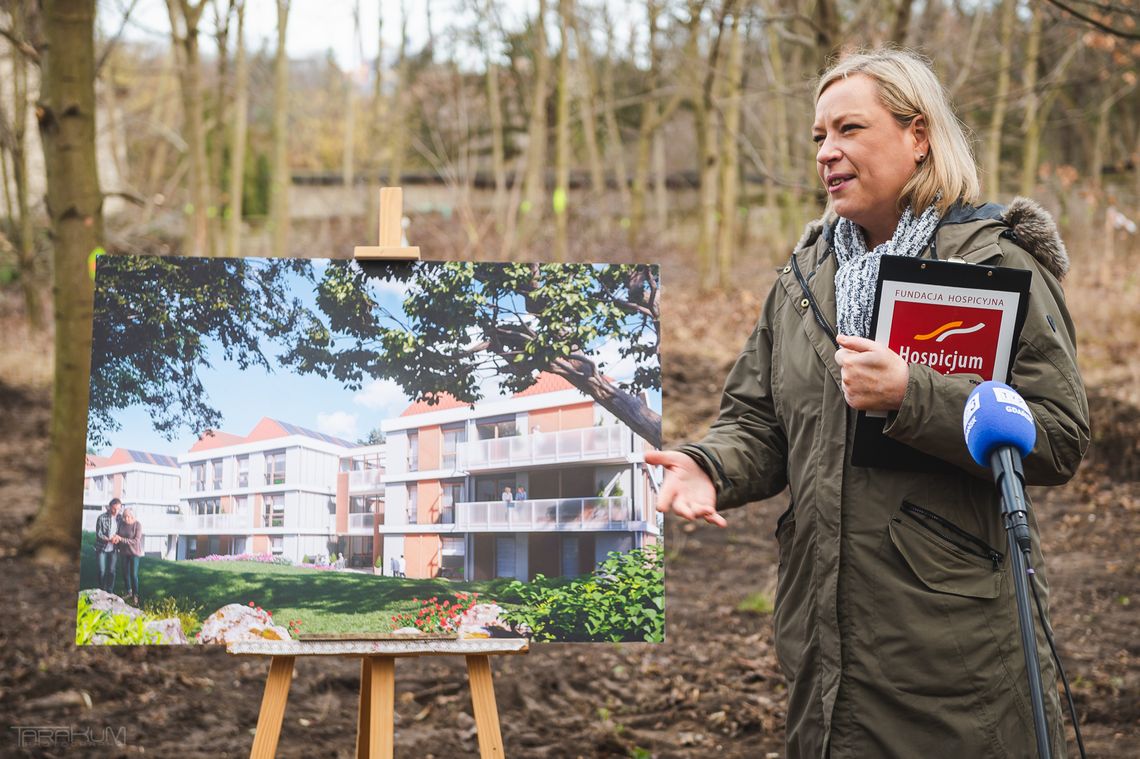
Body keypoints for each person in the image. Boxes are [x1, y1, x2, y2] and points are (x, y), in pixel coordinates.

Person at [646, 48, 1088, 758]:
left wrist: (916, 394)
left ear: (918, 135)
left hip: (949, 660)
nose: (828, 152)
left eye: (850, 129)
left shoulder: (994, 264)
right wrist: (709, 465)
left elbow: (1060, 433)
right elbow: (758, 419)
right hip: (823, 646)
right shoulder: (805, 276)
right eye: (819, 136)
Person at [94, 498, 122, 593]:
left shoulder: (120, 518)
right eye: (114, 509)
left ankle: (110, 591)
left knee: (111, 571)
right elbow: (99, 534)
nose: (116, 511)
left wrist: (118, 537)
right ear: (110, 507)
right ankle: (102, 590)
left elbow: (122, 532)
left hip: (113, 549)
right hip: (101, 548)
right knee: (101, 571)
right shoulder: (101, 518)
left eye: (118, 509)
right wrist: (109, 539)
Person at [116, 508, 144, 605]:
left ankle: (135, 595)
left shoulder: (137, 525)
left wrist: (121, 539)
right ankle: (129, 592)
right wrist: (116, 540)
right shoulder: (122, 524)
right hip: (124, 552)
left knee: (134, 575)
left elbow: (136, 541)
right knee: (125, 573)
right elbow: (118, 535)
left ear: (132, 516)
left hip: (134, 553)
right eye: (124, 516)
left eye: (128, 516)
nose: (126, 518)